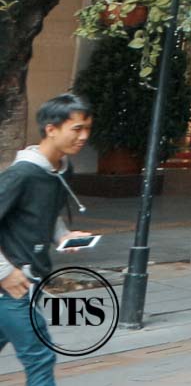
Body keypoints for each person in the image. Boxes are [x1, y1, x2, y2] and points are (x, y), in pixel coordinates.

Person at [0, 95, 94, 386]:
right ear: (51, 129)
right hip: (12, 287)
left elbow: (45, 214)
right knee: (39, 357)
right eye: (76, 129)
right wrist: (4, 272)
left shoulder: (61, 169)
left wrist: (63, 236)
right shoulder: (22, 174)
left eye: (87, 129)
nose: (84, 137)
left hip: (32, 278)